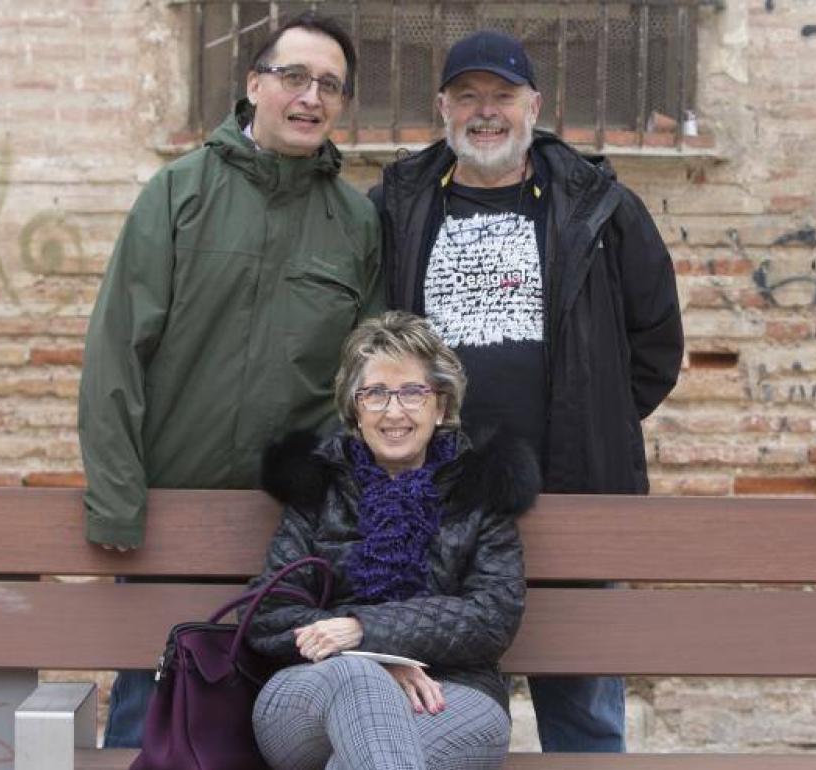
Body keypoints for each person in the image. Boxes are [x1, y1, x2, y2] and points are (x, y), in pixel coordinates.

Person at [370, 30, 684, 753]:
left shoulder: (598, 205)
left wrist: (593, 417)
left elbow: (656, 341)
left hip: (570, 494)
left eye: (502, 96)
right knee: (438, 716)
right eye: (468, 97)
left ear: (534, 105)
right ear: (441, 107)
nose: (486, 113)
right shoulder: (397, 203)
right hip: (432, 501)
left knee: (585, 716)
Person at [77, 14, 383, 748]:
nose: (311, 97)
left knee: (275, 712)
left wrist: (346, 501)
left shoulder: (353, 220)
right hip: (171, 512)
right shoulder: (179, 193)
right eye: (294, 77)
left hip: (294, 522)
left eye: (330, 85)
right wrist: (120, 499)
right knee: (147, 708)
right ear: (254, 86)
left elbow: (367, 380)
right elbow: (117, 351)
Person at [245, 310, 538, 770]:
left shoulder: (479, 488)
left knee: (368, 753)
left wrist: (364, 628)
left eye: (412, 392)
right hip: (311, 693)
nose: (394, 410)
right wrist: (370, 659)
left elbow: (491, 617)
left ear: (440, 405)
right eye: (376, 393)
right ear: (354, 408)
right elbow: (268, 615)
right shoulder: (318, 485)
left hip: (454, 694)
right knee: (361, 683)